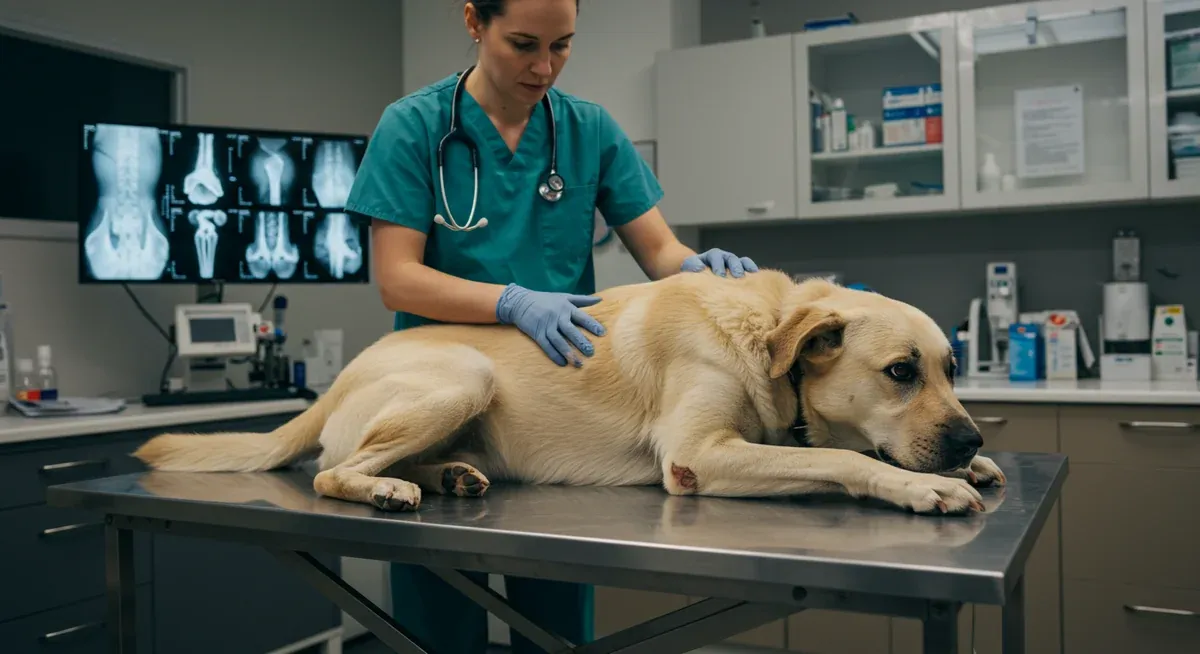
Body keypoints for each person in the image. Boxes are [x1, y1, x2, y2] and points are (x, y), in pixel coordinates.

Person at [343, 0, 758, 650]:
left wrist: (697, 267)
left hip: (560, 414)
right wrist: (510, 301)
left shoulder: (588, 130)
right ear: (474, 22)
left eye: (562, 46)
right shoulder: (415, 126)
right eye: (524, 44)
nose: (545, 67)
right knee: (439, 632)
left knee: (553, 631)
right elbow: (399, 277)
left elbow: (658, 251)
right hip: (445, 408)